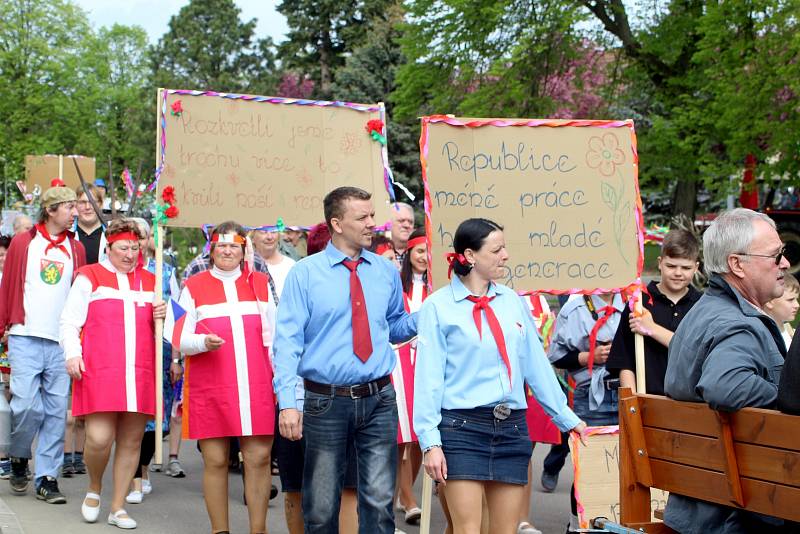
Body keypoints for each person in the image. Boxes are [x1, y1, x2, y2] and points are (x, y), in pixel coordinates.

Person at [414, 217, 586, 534]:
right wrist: (430, 443)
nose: (505, 255)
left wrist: (567, 418)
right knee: (468, 529)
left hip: (511, 428)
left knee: (504, 531)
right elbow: (427, 380)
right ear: (469, 255)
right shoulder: (437, 307)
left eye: (504, 247)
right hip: (460, 428)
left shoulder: (512, 302)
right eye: (497, 249)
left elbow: (535, 364)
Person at [274, 186, 417, 534]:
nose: (372, 224)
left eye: (372, 216)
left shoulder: (384, 272)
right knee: (321, 507)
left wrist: (430, 315)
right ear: (336, 223)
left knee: (380, 503)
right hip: (325, 401)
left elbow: (396, 326)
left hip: (380, 399)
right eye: (363, 217)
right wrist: (288, 404)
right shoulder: (305, 274)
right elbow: (287, 343)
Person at [664, 208, 789, 533]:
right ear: (737, 264)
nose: (785, 264)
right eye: (776, 256)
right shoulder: (735, 323)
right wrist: (785, 398)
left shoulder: (700, 312)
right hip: (738, 514)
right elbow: (724, 385)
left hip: (695, 506)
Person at [61, 218, 166, 528]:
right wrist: (72, 354)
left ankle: (118, 506)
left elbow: (168, 330)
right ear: (109, 246)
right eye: (123, 247)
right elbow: (69, 321)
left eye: (135, 247)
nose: (130, 254)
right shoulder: (89, 277)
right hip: (101, 369)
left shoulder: (152, 280)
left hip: (140, 371)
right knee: (98, 438)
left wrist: (162, 315)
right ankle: (95, 486)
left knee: (131, 441)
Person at [176, 221, 276, 534]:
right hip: (211, 385)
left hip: (256, 384)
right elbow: (177, 336)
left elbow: (276, 337)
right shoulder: (193, 286)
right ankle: (220, 530)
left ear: (245, 248)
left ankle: (257, 530)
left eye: (233, 245)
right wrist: (201, 343)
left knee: (259, 458)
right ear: (212, 249)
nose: (227, 251)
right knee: (216, 460)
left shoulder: (260, 283)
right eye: (221, 245)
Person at [0, 182, 85, 503]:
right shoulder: (24, 243)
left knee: (54, 412)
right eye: (69, 207)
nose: (74, 212)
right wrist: (4, 326)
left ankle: (47, 477)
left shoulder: (75, 248)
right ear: (51, 211)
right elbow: (8, 285)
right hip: (24, 335)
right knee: (25, 405)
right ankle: (20, 456)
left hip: (61, 341)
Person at [548, 289, 624, 532]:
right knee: (589, 470)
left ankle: (616, 523)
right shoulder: (574, 308)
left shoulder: (635, 303)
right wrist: (589, 356)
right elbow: (556, 357)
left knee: (625, 469)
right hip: (592, 395)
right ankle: (576, 526)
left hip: (627, 392)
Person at [125, 218, 183, 504]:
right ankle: (134, 477)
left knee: (156, 419)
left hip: (159, 353)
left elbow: (175, 316)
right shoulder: (115, 271)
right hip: (126, 352)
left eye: (142, 236)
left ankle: (144, 467)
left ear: (149, 240)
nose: (137, 242)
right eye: (131, 237)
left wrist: (175, 357)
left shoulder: (165, 271)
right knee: (132, 415)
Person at [606, 229, 701, 394]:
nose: (678, 273)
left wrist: (652, 329)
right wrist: (632, 401)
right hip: (648, 400)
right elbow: (624, 361)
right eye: (671, 266)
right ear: (660, 263)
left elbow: (698, 353)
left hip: (693, 405)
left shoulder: (703, 306)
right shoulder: (639, 303)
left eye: (686, 268)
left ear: (696, 267)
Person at [63, 184, 107, 479]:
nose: (87, 206)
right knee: (68, 395)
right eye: (81, 201)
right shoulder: (68, 239)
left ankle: (83, 452)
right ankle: (67, 454)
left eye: (93, 201)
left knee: (91, 387)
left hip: (101, 319)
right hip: (74, 313)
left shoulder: (110, 237)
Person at [394, 228, 427, 525]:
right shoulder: (397, 285)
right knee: (402, 435)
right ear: (409, 254)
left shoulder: (440, 287)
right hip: (400, 363)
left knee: (419, 436)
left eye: (428, 252)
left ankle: (405, 492)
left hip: (428, 364)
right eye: (419, 251)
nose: (423, 257)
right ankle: (407, 498)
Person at [252, 228, 296, 297]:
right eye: (263, 231)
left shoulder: (291, 266)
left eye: (273, 231)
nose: (269, 237)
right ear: (252, 237)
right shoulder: (246, 266)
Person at [764, 272, 799, 350]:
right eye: (790, 300)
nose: (797, 305)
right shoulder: (763, 339)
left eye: (796, 299)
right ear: (769, 302)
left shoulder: (794, 334)